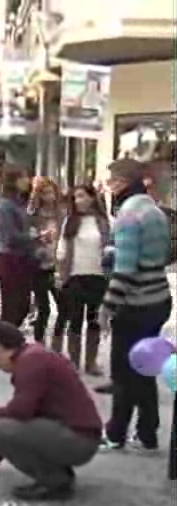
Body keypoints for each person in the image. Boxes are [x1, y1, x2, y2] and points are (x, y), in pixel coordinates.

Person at [0, 321, 102, 501]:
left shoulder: (31, 362)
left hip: (78, 438)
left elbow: (20, 412)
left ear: (1, 348)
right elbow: (33, 414)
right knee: (1, 427)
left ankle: (55, 481)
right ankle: (57, 472)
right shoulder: (34, 355)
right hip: (79, 435)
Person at [100, 159, 172, 451]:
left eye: (111, 182)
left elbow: (126, 270)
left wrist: (107, 307)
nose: (108, 188)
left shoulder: (128, 216)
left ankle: (116, 432)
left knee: (122, 372)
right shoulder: (155, 211)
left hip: (136, 303)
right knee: (144, 368)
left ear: (121, 183)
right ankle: (147, 431)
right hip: (158, 298)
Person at [52, 184, 110, 374]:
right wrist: (60, 274)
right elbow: (61, 249)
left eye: (82, 196)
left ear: (92, 198)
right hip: (75, 276)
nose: (79, 201)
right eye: (75, 198)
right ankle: (74, 363)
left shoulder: (103, 221)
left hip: (98, 276)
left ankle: (91, 362)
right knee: (75, 319)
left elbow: (111, 244)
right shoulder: (70, 221)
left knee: (94, 320)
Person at [0, 166, 37, 327]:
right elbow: (10, 237)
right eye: (23, 178)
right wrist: (34, 237)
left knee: (23, 306)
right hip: (10, 260)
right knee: (12, 307)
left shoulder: (20, 203)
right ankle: (0, 342)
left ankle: (6, 339)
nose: (27, 181)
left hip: (23, 259)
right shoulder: (5, 205)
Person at [27, 177, 63, 344]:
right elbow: (27, 239)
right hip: (39, 267)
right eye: (45, 193)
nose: (50, 196)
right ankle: (39, 344)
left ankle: (57, 342)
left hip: (58, 265)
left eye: (51, 192)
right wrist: (39, 238)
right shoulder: (33, 215)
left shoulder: (61, 214)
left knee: (64, 307)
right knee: (44, 309)